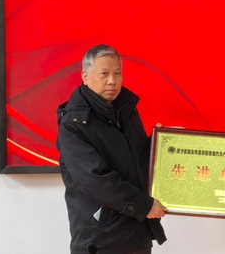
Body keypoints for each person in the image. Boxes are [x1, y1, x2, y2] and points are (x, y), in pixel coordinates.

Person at [56, 45, 167, 254]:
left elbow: (136, 158)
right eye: (104, 74)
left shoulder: (126, 110)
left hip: (136, 233)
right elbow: (96, 179)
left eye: (117, 73)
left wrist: (163, 144)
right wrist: (144, 206)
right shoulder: (74, 124)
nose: (112, 81)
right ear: (85, 77)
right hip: (101, 239)